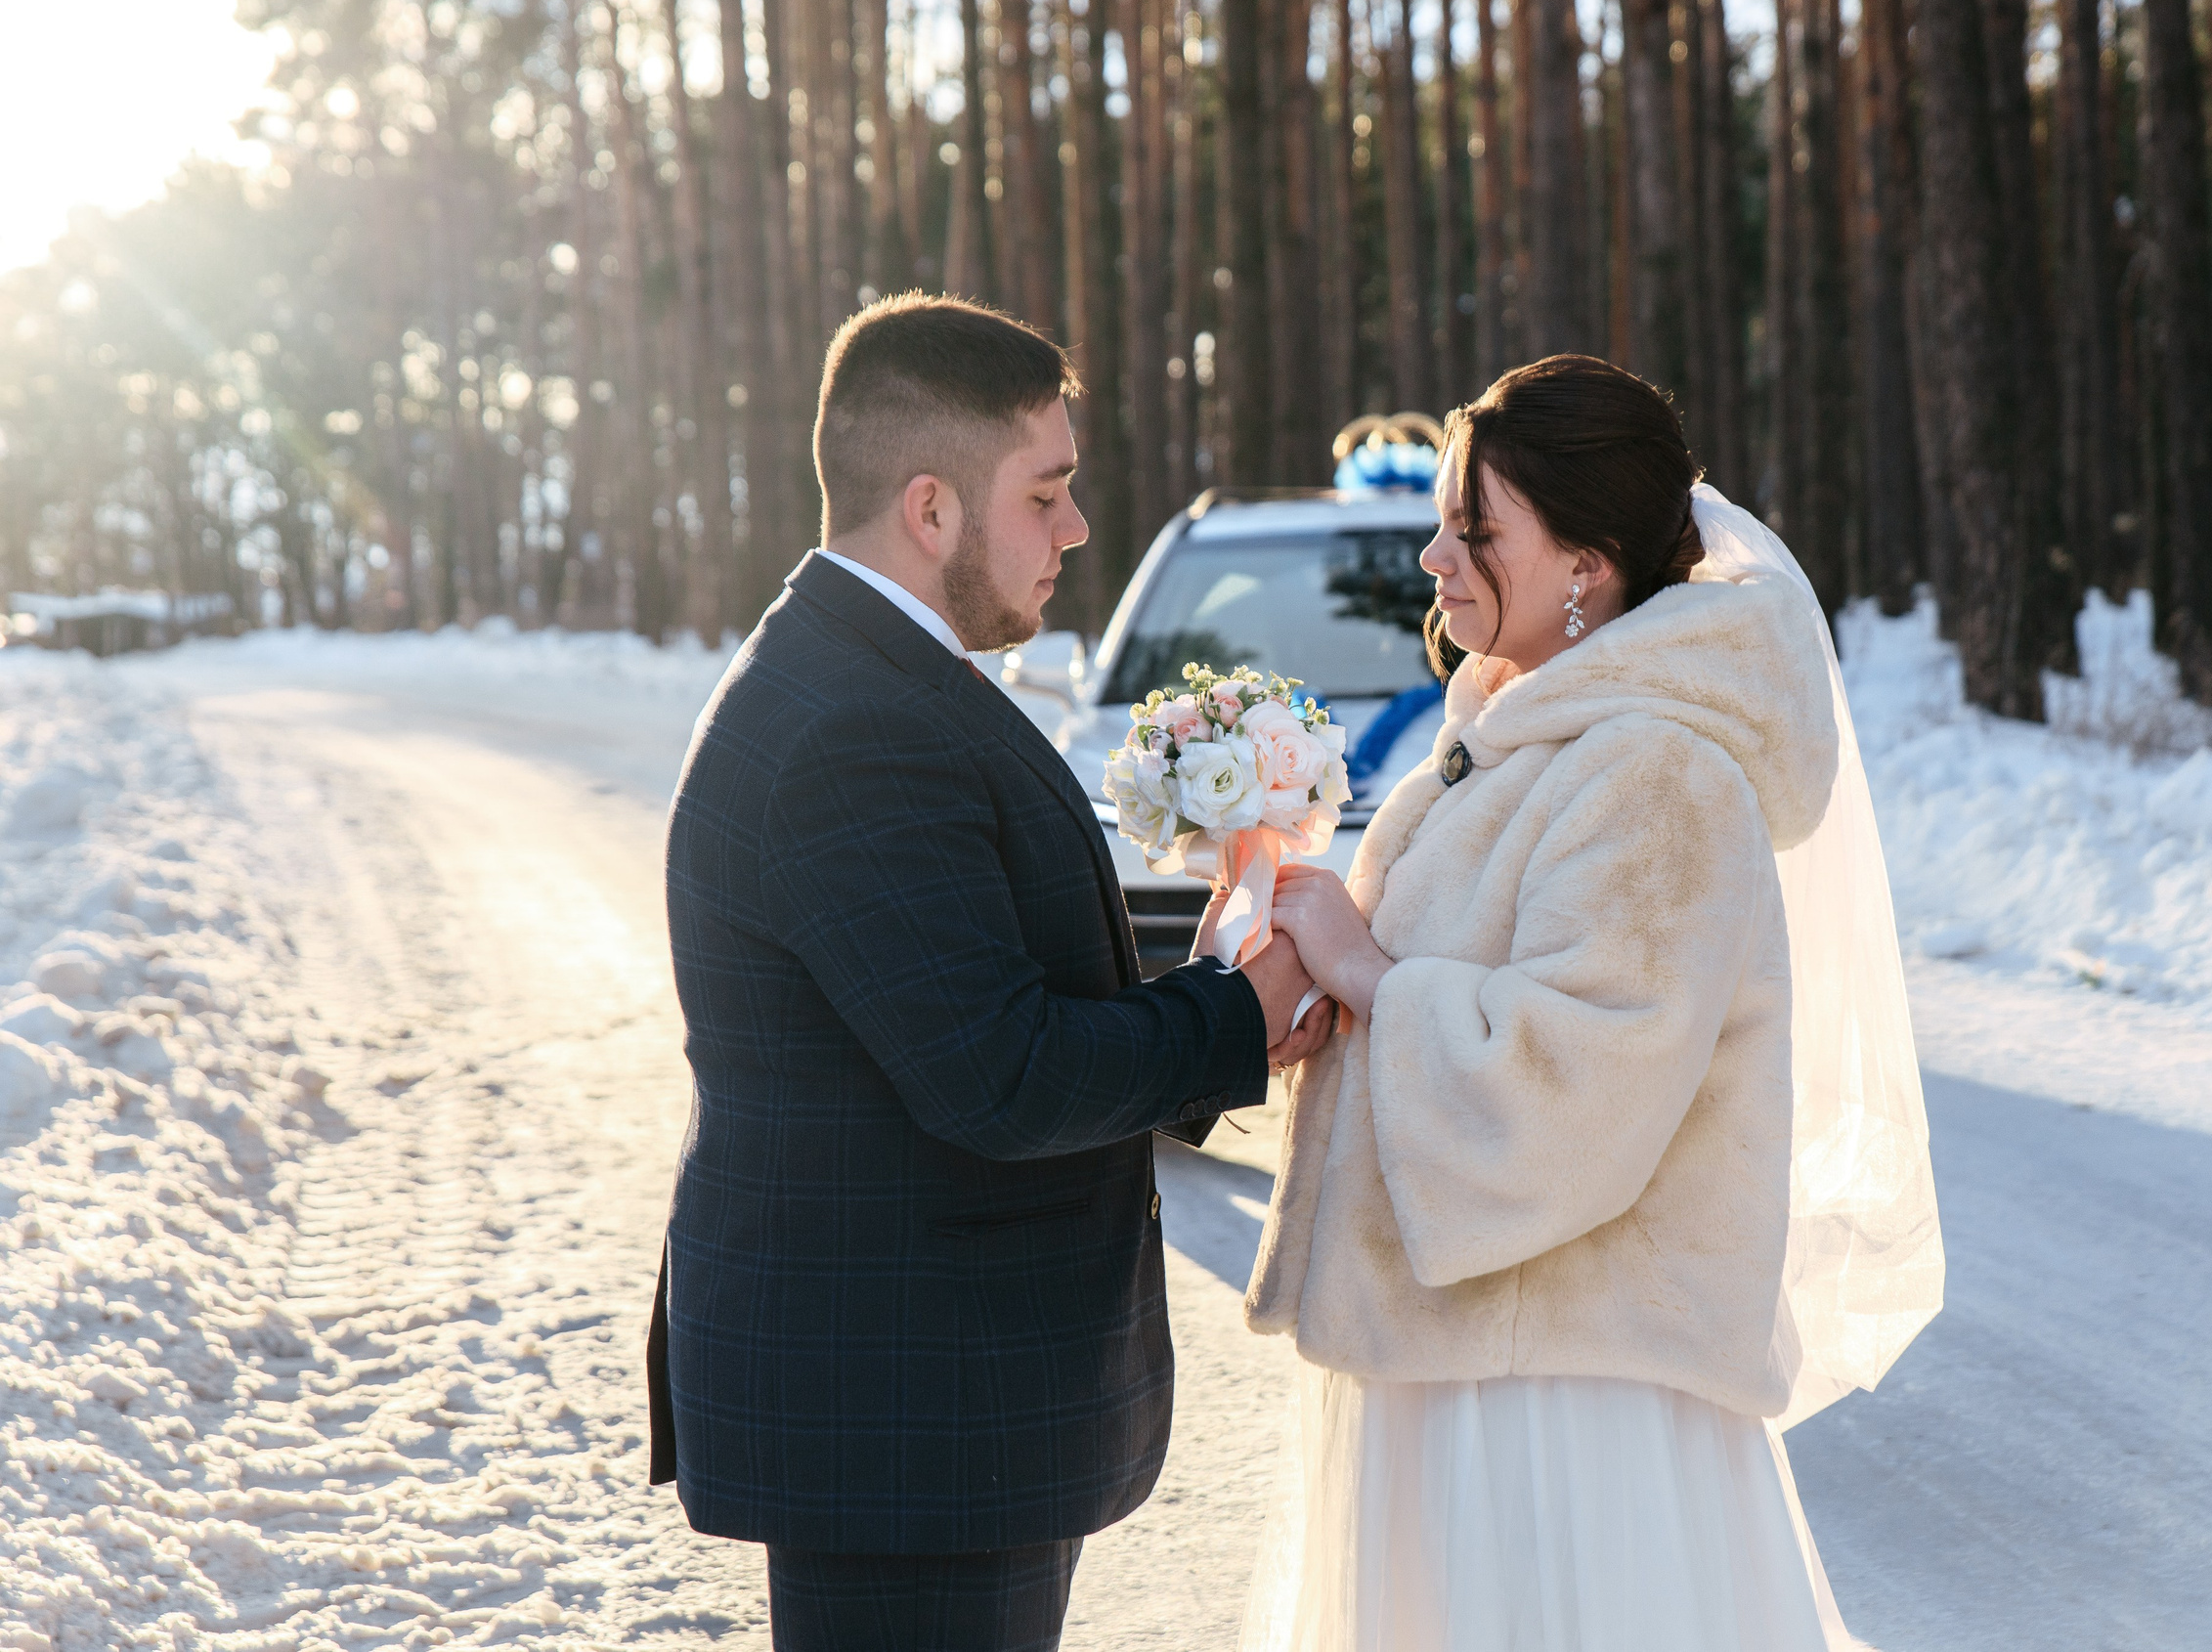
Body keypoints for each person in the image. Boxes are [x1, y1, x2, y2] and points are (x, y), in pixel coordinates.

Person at [644, 292, 1335, 1652]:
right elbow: (997, 1076)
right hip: (906, 1418)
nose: (1076, 529)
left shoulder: (870, 678)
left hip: (917, 1409)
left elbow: (963, 1011)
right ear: (931, 509)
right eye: (1047, 492)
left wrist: (1195, 979)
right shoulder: (854, 728)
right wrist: (1229, 1022)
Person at [1242, 354, 1943, 1650]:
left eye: (1477, 530)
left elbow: (1579, 1083)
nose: (1436, 559)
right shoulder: (1519, 739)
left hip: (1561, 1408)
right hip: (1469, 1363)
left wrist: (1364, 971)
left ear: (1586, 566)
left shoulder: (1660, 768)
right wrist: (1319, 986)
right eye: (1444, 523)